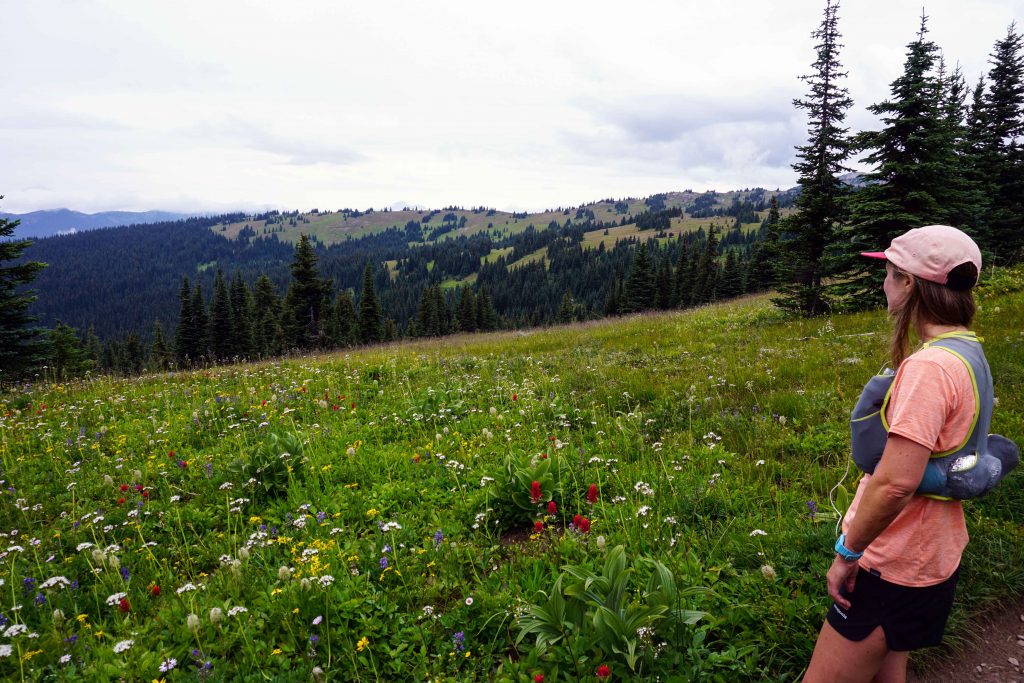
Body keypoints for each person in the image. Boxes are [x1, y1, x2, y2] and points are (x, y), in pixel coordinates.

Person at [804, 225, 996, 683]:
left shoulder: (929, 367)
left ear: (910, 283)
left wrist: (847, 553)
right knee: (890, 667)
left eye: (889, 274)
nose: (883, 283)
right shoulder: (968, 351)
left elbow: (895, 484)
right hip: (934, 556)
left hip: (893, 561)